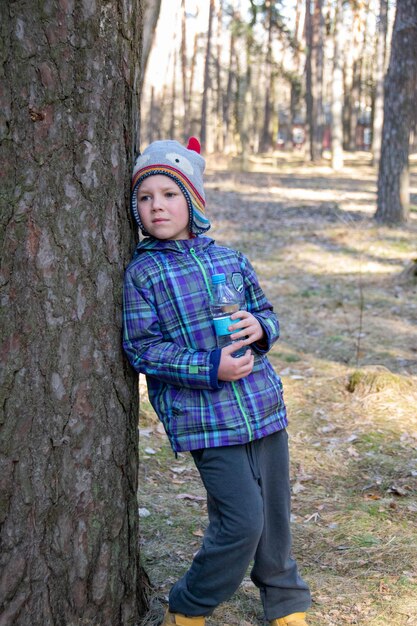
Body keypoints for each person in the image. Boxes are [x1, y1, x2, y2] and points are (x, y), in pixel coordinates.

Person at [122, 137, 311, 626]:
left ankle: (286, 599)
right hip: (207, 419)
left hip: (263, 408)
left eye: (168, 194)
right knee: (242, 522)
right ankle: (188, 606)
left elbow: (266, 311)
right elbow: (142, 348)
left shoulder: (231, 259)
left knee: (274, 517)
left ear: (193, 201)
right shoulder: (142, 274)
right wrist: (210, 367)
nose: (156, 206)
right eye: (145, 198)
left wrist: (260, 327)